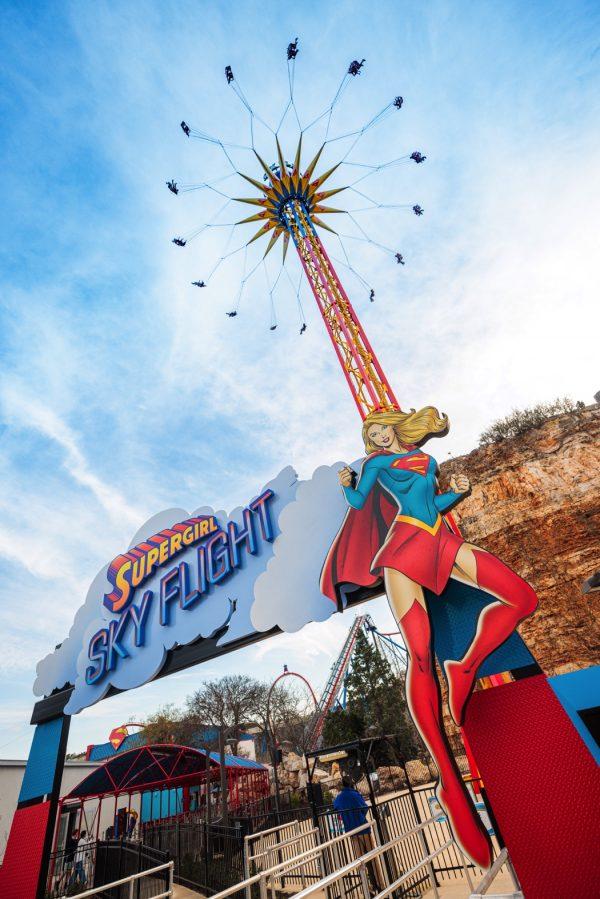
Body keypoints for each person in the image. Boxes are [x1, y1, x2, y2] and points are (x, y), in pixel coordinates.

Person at [321, 407, 539, 869]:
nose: (377, 437)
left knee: (521, 598)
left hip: (439, 538)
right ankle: (446, 775)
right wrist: (345, 483)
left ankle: (464, 666)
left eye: (381, 429)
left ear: (397, 427)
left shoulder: (426, 461)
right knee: (419, 653)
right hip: (401, 549)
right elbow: (360, 504)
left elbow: (429, 503)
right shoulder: (376, 465)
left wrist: (454, 495)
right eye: (371, 433)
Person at [333, 777, 384, 890]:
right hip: (363, 828)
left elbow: (335, 807)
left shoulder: (339, 797)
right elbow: (364, 807)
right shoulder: (355, 794)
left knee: (360, 860)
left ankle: (366, 886)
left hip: (351, 831)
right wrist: (360, 817)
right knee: (372, 856)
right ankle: (380, 884)